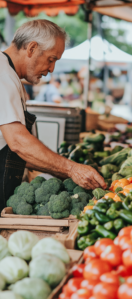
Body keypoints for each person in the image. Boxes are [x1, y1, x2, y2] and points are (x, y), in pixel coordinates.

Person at [0, 20, 106, 212]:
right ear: (31, 48)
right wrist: (71, 169)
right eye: (51, 59)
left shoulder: (9, 75)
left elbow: (17, 151)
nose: (51, 69)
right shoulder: (2, 76)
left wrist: (63, 171)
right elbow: (17, 142)